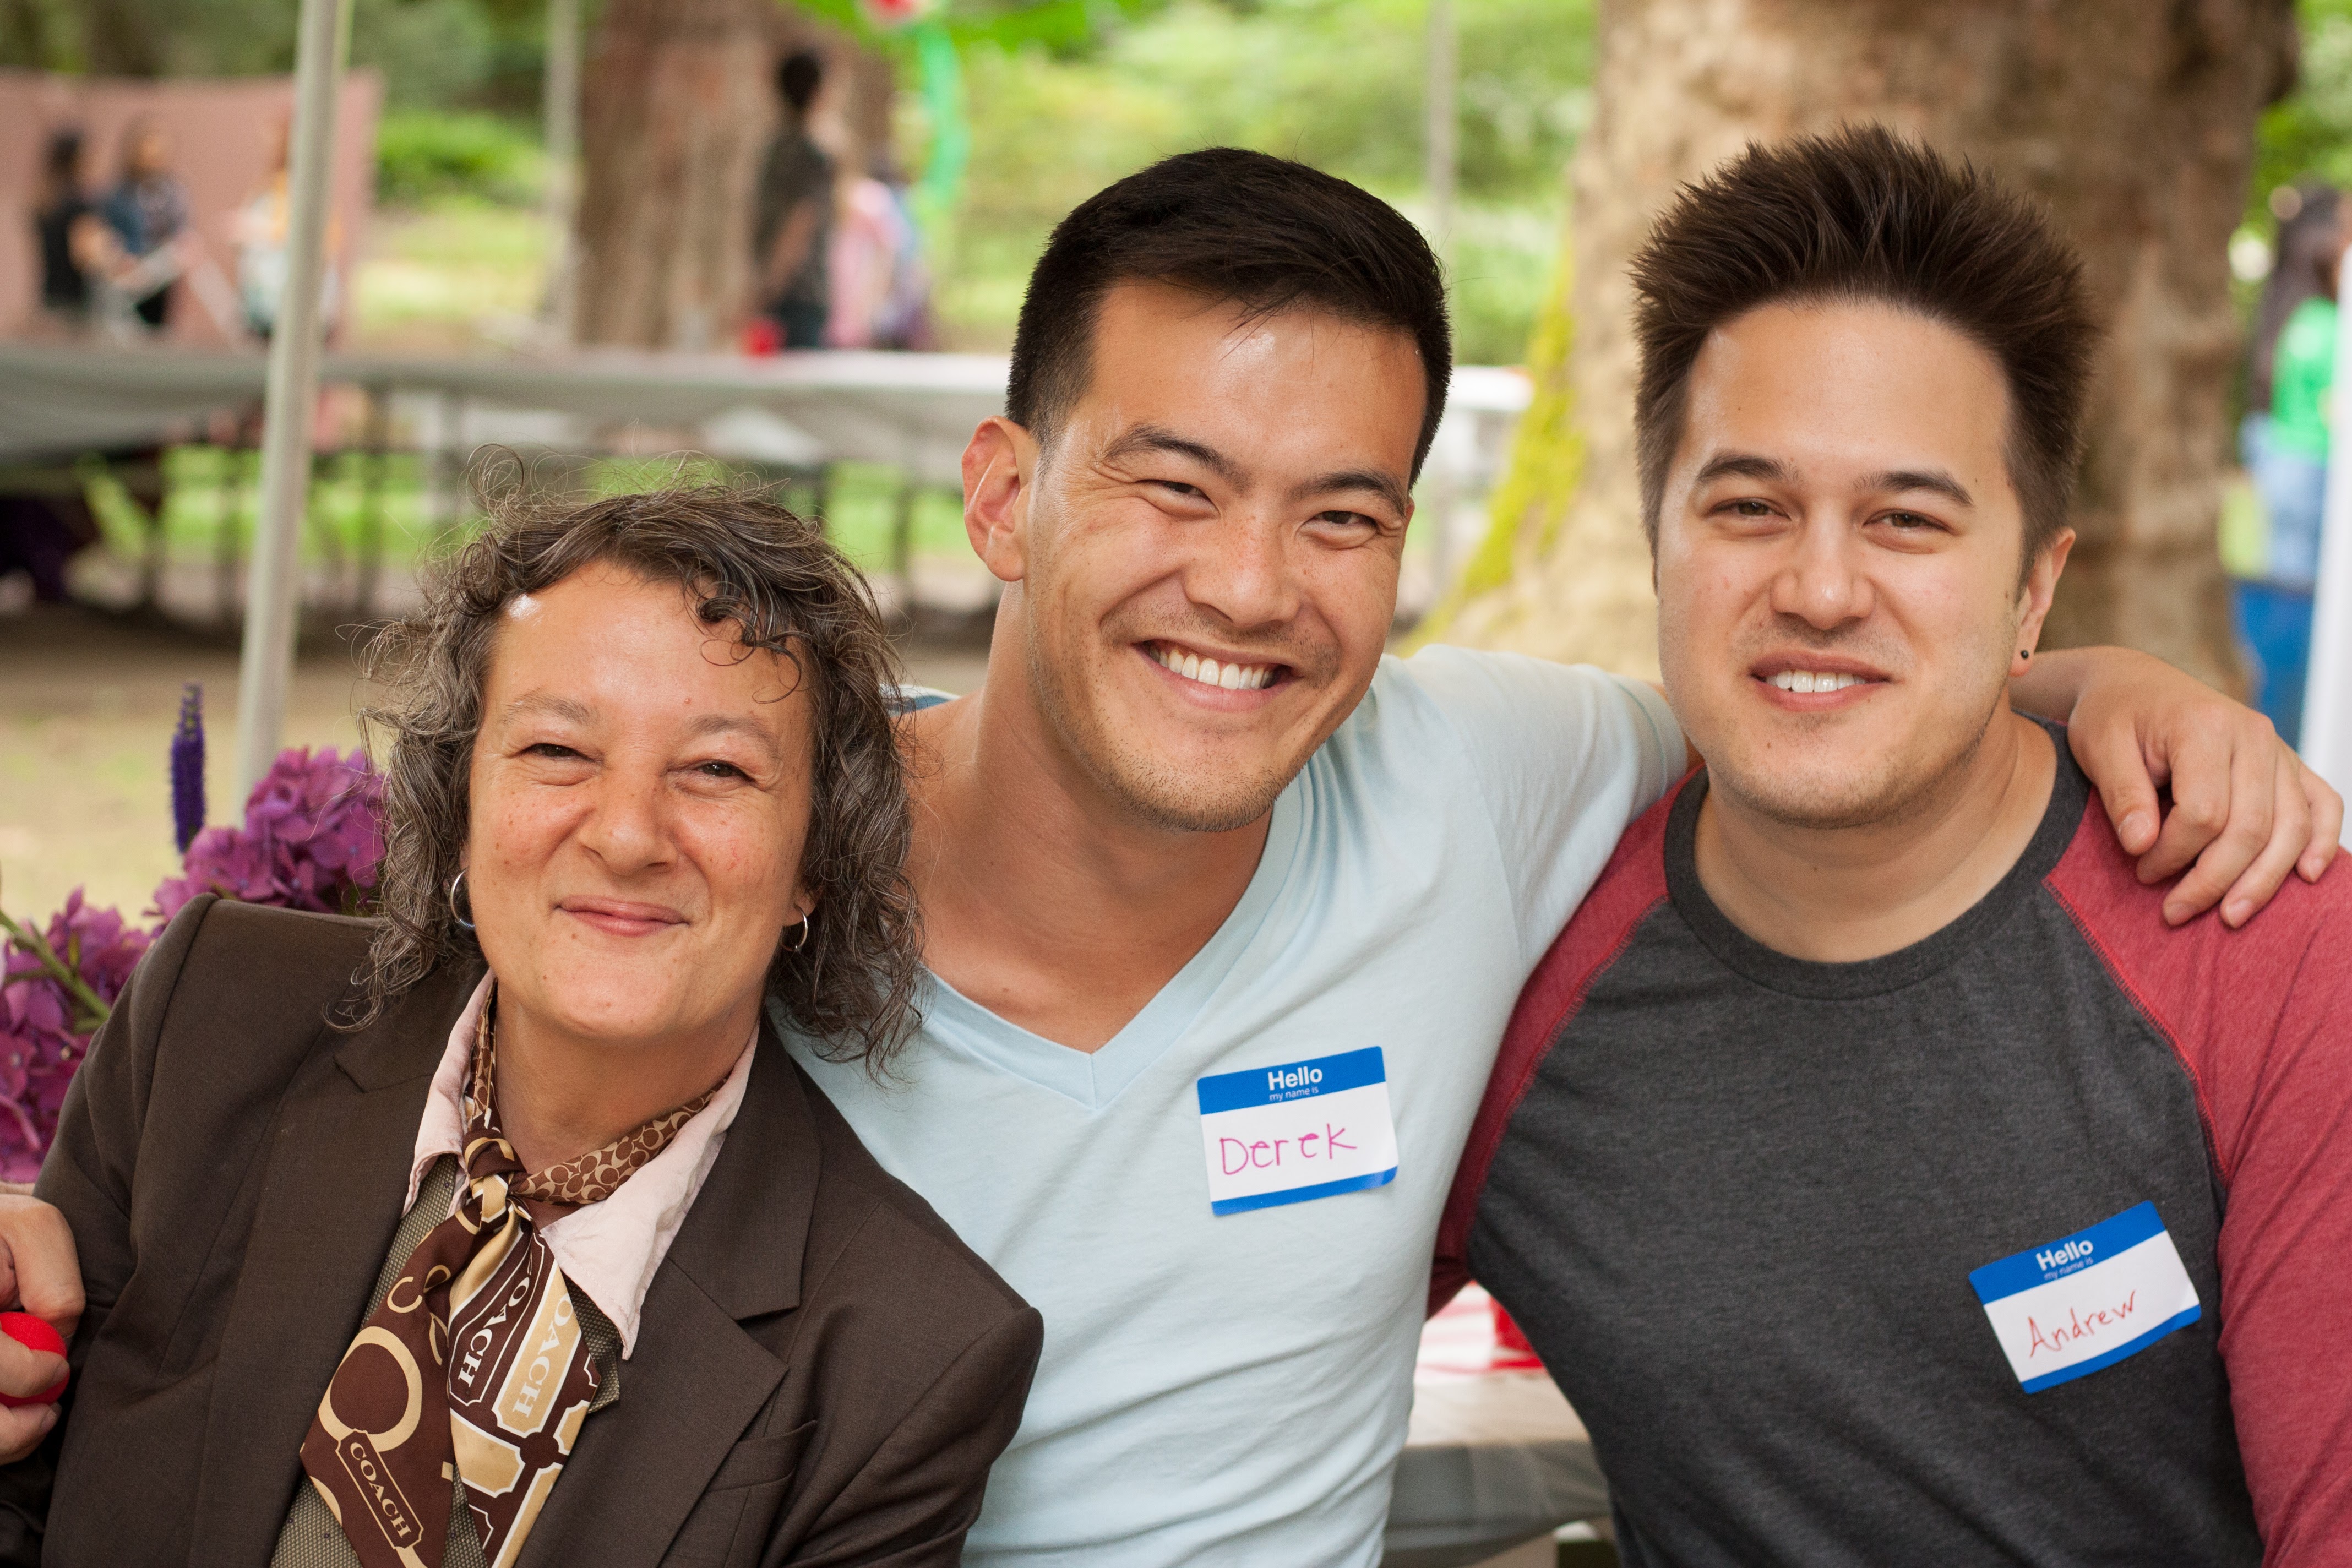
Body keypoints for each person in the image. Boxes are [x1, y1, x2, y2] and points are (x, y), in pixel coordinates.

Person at [0, 150, 2336, 1567]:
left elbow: (1822, 695)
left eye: (1339, 515)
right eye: (1171, 485)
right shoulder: (722, 881)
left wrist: (2098, 689)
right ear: (1002, 498)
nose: (1249, 586)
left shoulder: (1483, 791)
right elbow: (322, 1162)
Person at [1439, 129, 2352, 1566]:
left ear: (2034, 585)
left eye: (1907, 520)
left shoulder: (2263, 938)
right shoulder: (1507, 966)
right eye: (1748, 508)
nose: (1817, 584)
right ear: (1656, 540)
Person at [0, 489, 1041, 1566]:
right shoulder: (212, 1019)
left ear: (813, 862)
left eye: (718, 769)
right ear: (459, 801)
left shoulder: (904, 1362)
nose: (629, 833)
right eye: (557, 749)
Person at [2237, 183, 2348, 747]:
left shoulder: (2295, 317)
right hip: (2311, 475)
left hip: (2286, 466)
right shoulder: (2327, 330)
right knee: (2304, 603)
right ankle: (2285, 728)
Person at [754, 50, 835, 351]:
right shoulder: (810, 153)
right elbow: (801, 221)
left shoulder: (778, 148)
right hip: (799, 295)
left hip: (781, 291)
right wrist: (769, 286)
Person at [97, 118, 188, 332]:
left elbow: (181, 233)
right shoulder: (119, 194)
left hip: (160, 278)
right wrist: (120, 258)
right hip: (125, 273)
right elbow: (108, 232)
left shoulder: (173, 193)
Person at [31, 130, 114, 333]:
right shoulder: (80, 204)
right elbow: (86, 256)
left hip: (50, 297)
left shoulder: (45, 201)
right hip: (78, 304)